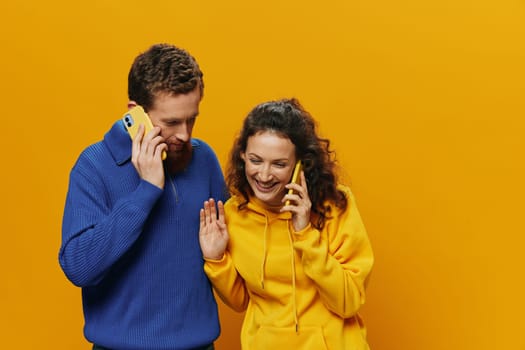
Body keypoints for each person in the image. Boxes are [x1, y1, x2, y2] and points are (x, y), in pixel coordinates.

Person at [59, 43, 227, 350]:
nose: (185, 135)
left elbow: (240, 249)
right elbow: (79, 267)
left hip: (199, 346)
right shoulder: (94, 166)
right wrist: (146, 191)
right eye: (172, 123)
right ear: (136, 114)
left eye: (192, 119)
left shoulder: (204, 160)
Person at [199, 98, 374, 350]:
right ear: (242, 156)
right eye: (256, 160)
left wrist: (305, 233)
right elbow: (241, 302)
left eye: (279, 164)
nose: (264, 175)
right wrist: (216, 260)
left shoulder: (335, 206)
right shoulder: (234, 214)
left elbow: (348, 302)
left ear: (301, 164)